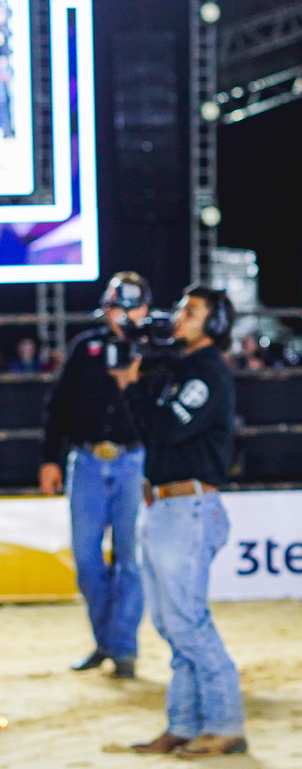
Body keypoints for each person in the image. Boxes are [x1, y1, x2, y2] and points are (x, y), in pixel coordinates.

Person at [111, 285, 248, 757]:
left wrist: (132, 386)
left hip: (186, 508)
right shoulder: (187, 369)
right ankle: (184, 724)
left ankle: (226, 725)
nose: (178, 317)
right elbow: (155, 427)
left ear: (215, 324)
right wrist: (138, 385)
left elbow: (166, 428)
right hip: (167, 506)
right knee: (172, 624)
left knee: (186, 622)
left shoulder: (207, 371)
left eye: (192, 311)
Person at [40, 271, 152, 679]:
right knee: (87, 559)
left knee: (130, 559)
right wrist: (50, 458)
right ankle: (106, 641)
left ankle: (123, 647)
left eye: (126, 306)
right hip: (86, 460)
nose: (119, 313)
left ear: (143, 309)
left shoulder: (155, 350)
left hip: (133, 460)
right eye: (114, 305)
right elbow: (59, 404)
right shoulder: (85, 346)